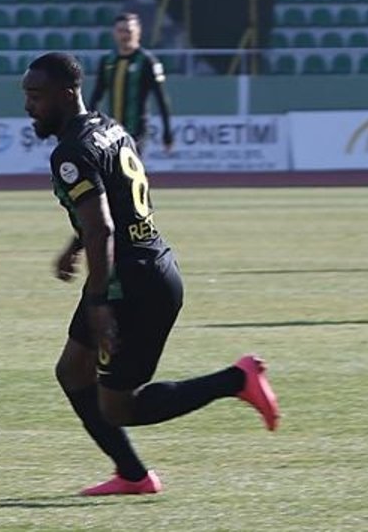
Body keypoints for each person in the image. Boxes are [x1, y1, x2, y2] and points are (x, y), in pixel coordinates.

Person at [21, 52, 279, 496]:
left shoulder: (71, 152)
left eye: (36, 96)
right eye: (27, 95)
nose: (29, 106)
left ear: (66, 94)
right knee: (72, 371)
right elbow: (115, 202)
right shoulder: (110, 127)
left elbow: (102, 225)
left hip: (131, 282)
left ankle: (236, 380)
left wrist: (100, 302)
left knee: (119, 406)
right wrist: (75, 245)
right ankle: (133, 475)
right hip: (142, 264)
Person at [89, 13, 174, 153]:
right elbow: (97, 96)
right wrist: (89, 126)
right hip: (111, 132)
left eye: (129, 31)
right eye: (121, 31)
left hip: (137, 132)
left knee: (129, 170)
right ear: (115, 34)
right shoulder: (108, 61)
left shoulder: (147, 61)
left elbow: (161, 99)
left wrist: (167, 133)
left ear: (137, 32)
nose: (125, 35)